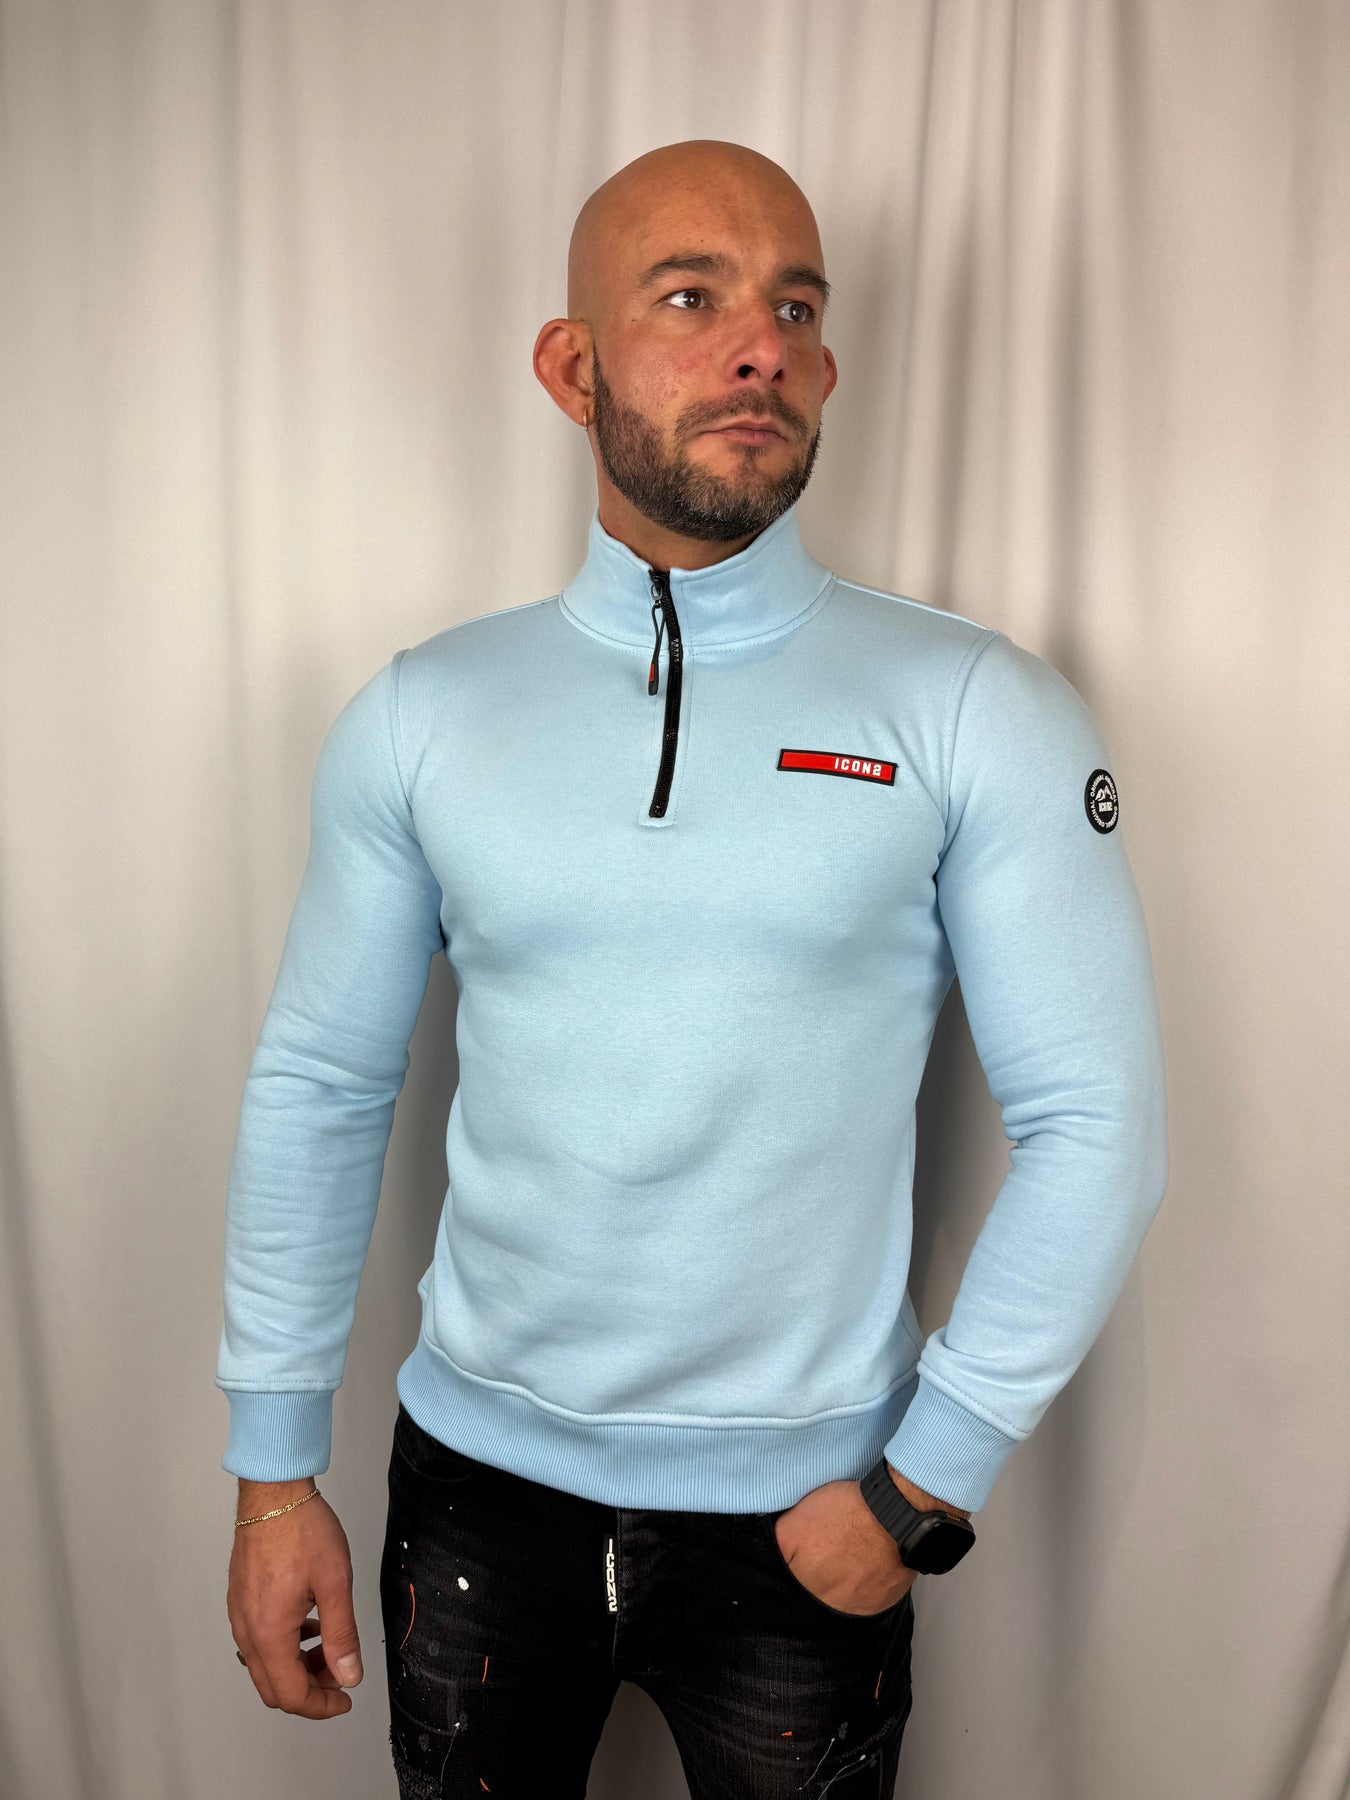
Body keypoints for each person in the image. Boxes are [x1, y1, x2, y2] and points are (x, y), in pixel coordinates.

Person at [221, 139, 1168, 1797]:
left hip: (811, 1520)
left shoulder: (972, 708)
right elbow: (321, 1085)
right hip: (473, 1500)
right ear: (569, 367)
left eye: (794, 308)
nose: (760, 349)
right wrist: (272, 1471)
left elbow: (1097, 1125)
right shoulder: (425, 713)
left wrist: (918, 1490)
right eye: (689, 297)